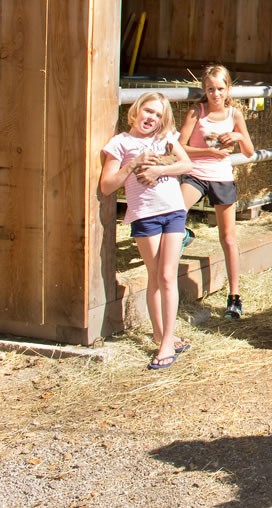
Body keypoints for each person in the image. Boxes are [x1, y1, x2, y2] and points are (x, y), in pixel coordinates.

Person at [100, 92, 194, 369]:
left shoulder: (165, 139)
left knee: (167, 275)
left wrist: (158, 169)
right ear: (136, 110)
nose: (151, 118)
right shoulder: (120, 143)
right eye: (148, 111)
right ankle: (159, 333)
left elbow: (187, 164)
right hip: (145, 216)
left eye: (158, 115)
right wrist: (133, 164)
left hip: (173, 210)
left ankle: (167, 342)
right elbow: (107, 185)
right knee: (155, 275)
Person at [178, 64, 257, 319]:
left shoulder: (235, 114)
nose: (216, 94)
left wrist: (237, 137)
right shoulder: (197, 111)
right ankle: (183, 234)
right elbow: (180, 146)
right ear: (204, 89)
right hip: (196, 173)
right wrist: (207, 151)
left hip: (221, 177)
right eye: (210, 89)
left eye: (220, 89)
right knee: (175, 210)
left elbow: (249, 152)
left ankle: (234, 297)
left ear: (228, 89)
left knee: (228, 237)